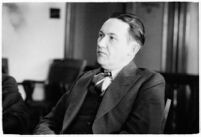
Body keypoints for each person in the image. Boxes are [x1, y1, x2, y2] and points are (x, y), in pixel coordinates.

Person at [34, 13, 165, 134]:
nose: (100, 43)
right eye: (101, 35)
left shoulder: (149, 83)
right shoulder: (84, 78)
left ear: (132, 49)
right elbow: (49, 121)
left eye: (112, 38)